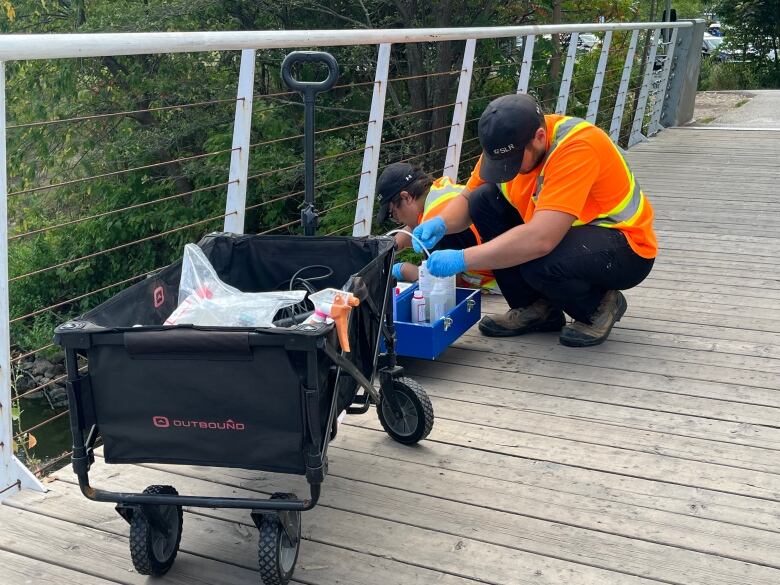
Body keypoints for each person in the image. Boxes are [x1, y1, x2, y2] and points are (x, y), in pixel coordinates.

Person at [412, 93, 656, 347]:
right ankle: (537, 310)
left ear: (539, 137)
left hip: (624, 247)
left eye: (514, 161)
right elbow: (469, 196)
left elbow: (541, 240)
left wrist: (463, 258)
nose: (510, 169)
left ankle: (597, 306)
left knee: (539, 261)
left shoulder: (577, 146)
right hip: (566, 236)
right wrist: (439, 224)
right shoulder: (506, 143)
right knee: (483, 200)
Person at [375, 162, 496, 291]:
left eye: (393, 214)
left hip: (497, 287)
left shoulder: (435, 221)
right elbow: (414, 229)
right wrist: (393, 244)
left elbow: (445, 286)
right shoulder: (438, 191)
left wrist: (404, 270)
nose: (398, 221)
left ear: (406, 197)